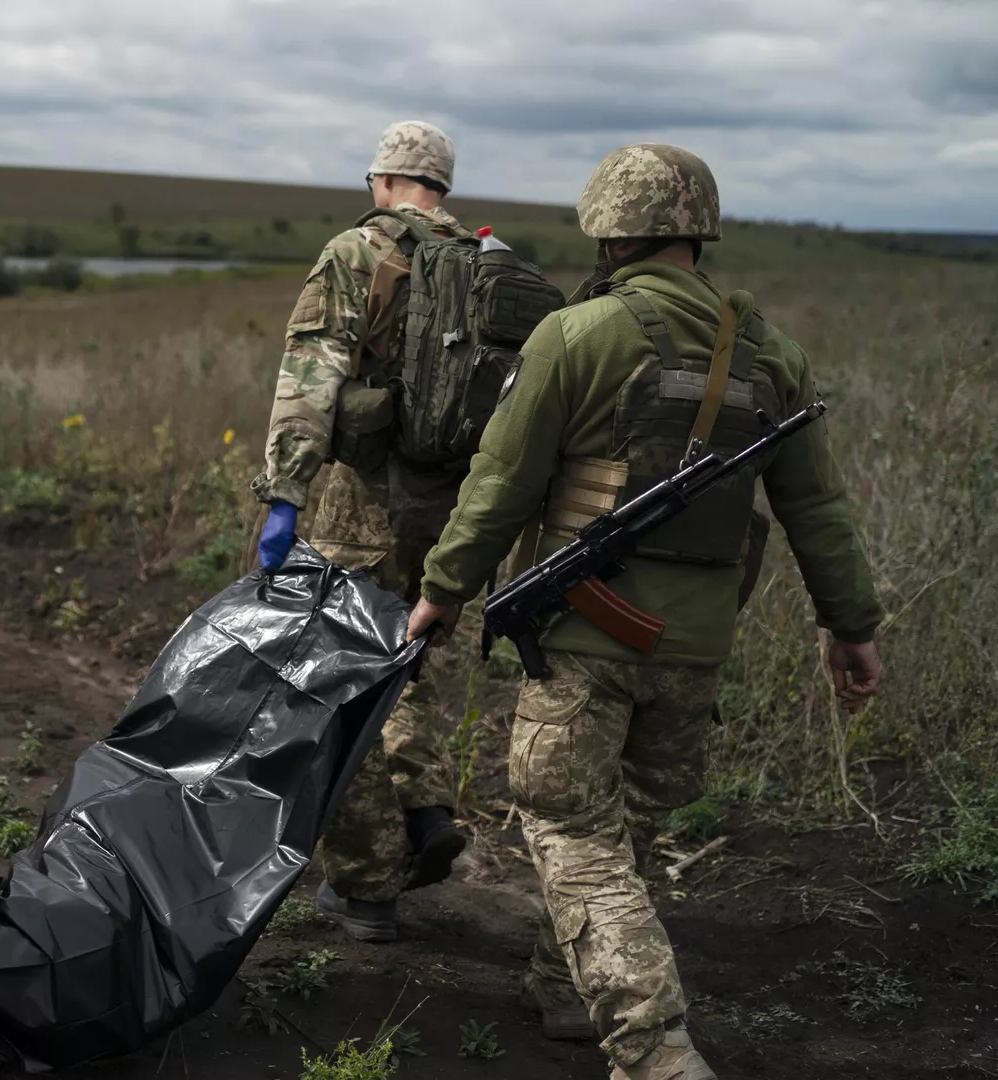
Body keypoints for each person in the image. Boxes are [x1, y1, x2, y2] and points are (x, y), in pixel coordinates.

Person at [408, 144, 884, 1080]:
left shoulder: (578, 333)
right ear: (697, 232)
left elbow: (502, 483)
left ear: (608, 228)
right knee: (612, 827)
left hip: (590, 634)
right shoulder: (771, 353)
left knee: (567, 826)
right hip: (695, 648)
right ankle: (563, 988)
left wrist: (441, 592)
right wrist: (852, 627)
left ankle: (655, 1050)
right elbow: (817, 512)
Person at [252, 120, 474, 941]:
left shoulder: (356, 252)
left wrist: (284, 496)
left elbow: (311, 374)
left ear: (380, 179)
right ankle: (423, 808)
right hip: (454, 516)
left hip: (364, 510)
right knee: (409, 669)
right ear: (441, 186)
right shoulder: (487, 262)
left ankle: (367, 884)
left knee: (334, 684)